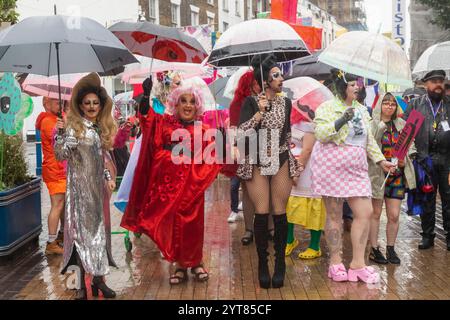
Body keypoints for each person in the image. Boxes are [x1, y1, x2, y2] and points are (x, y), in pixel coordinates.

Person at [120, 78, 222, 285]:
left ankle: (196, 263)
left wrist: (197, 177)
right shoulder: (165, 123)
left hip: (192, 186)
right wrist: (144, 99)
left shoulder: (202, 130)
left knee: (193, 224)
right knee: (171, 223)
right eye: (183, 101)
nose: (187, 105)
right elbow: (148, 121)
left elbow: (214, 155)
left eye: (192, 102)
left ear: (197, 106)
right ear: (175, 104)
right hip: (168, 186)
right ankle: (179, 265)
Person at [311, 69, 395, 284]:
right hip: (331, 165)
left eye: (358, 83)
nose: (357, 87)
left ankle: (358, 264)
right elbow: (320, 134)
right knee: (334, 215)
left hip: (357, 168)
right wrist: (340, 120)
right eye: (352, 84)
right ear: (341, 86)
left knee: (365, 212)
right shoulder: (327, 107)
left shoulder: (362, 110)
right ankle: (336, 262)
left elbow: (368, 141)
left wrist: (380, 160)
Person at [237, 54, 301, 289]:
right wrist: (258, 113)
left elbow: (286, 133)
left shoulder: (286, 103)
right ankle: (263, 264)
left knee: (280, 211)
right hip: (256, 160)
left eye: (280, 74)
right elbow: (241, 134)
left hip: (281, 158)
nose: (281, 78)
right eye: (275, 75)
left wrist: (293, 161)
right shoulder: (251, 102)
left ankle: (280, 263)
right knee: (262, 212)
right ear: (265, 81)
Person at [55, 73, 118, 300]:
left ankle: (99, 282)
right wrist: (61, 134)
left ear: (100, 105)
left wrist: (106, 177)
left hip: (97, 193)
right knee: (80, 239)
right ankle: (81, 285)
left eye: (95, 103)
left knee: (100, 236)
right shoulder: (74, 128)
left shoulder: (98, 128)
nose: (92, 106)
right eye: (87, 103)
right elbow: (61, 154)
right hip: (78, 195)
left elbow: (99, 159)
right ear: (80, 106)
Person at [403, 70, 450, 251]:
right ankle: (427, 236)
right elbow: (405, 133)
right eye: (434, 82)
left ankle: (449, 236)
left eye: (440, 81)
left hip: (447, 161)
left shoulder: (449, 105)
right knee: (426, 200)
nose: (438, 84)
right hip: (424, 160)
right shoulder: (416, 105)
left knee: (449, 200)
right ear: (425, 85)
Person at [368, 93, 417, 265]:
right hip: (377, 175)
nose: (389, 106)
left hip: (396, 176)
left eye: (392, 104)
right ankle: (374, 249)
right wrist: (381, 126)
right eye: (386, 103)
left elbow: (411, 146)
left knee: (394, 215)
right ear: (379, 105)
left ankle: (390, 248)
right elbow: (369, 145)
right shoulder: (372, 124)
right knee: (375, 214)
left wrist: (406, 160)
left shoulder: (403, 125)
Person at [285, 114, 326, 259]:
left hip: (307, 172)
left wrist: (297, 172)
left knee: (313, 206)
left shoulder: (309, 123)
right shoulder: (287, 119)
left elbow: (307, 149)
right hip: (289, 169)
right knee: (288, 204)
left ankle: (314, 246)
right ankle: (289, 240)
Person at [35, 97, 66, 254]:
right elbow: (57, 139)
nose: (59, 104)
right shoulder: (48, 121)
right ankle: (51, 242)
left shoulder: (54, 118)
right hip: (55, 170)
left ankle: (61, 235)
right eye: (55, 101)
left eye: (60, 101)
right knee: (57, 205)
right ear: (46, 104)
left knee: (63, 206)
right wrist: (63, 127)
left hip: (60, 169)